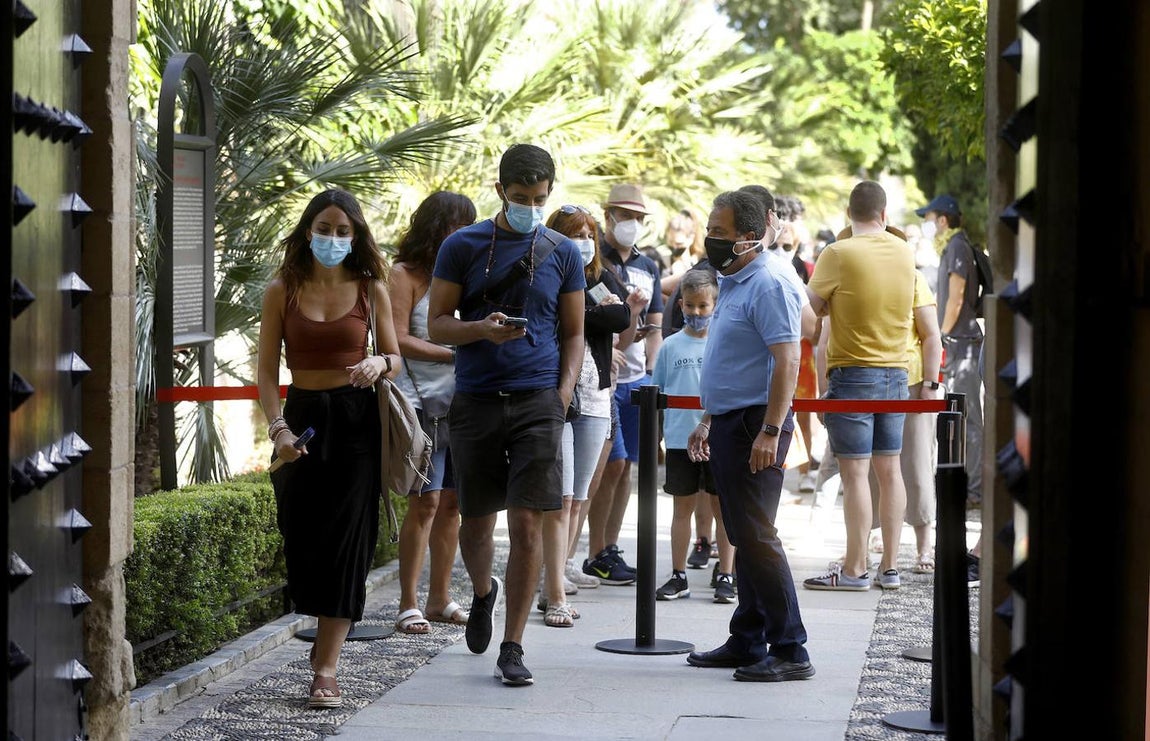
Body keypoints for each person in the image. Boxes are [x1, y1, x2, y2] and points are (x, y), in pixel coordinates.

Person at [427, 143, 585, 686]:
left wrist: (562, 393)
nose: (531, 208)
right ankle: (482, 592)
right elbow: (437, 323)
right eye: (521, 198)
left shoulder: (562, 251)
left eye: (540, 199)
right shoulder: (462, 245)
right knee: (475, 523)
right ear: (500, 191)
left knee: (527, 522)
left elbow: (574, 332)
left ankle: (513, 646)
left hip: (539, 400)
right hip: (476, 398)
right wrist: (480, 330)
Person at [256, 188, 402, 708]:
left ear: (356, 236)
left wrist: (379, 363)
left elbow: (395, 357)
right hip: (301, 419)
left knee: (348, 541)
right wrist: (279, 429)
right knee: (303, 535)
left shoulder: (371, 288)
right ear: (308, 231)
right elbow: (265, 373)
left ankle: (326, 669)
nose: (333, 239)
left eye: (344, 231)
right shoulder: (282, 289)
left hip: (357, 420)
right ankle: (321, 642)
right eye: (325, 229)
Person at [685, 188, 814, 682]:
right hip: (731, 421)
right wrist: (708, 418)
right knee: (743, 533)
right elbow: (733, 359)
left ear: (750, 236)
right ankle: (748, 637)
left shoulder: (769, 283)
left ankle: (791, 648)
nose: (710, 239)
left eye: (720, 232)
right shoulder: (734, 278)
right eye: (710, 230)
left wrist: (770, 430)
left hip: (755, 423)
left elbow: (788, 359)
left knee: (757, 535)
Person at [802, 181, 923, 592]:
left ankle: (855, 568)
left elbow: (807, 317)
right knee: (890, 471)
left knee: (854, 475)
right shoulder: (905, 253)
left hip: (853, 374)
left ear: (848, 214)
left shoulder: (838, 253)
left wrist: (824, 308)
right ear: (884, 214)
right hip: (897, 374)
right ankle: (890, 567)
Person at [533, 203, 632, 627]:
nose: (585, 242)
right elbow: (555, 319)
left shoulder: (598, 275)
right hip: (558, 395)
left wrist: (589, 312)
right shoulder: (544, 275)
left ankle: (557, 572)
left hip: (596, 396)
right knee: (559, 498)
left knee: (578, 496)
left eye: (590, 235)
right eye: (576, 234)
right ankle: (551, 588)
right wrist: (595, 312)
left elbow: (621, 315)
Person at [388, 191, 477, 635]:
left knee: (454, 504)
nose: (464, 235)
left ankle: (440, 598)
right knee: (425, 503)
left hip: (463, 402)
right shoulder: (403, 274)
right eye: (457, 226)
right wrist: (454, 352)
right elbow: (395, 339)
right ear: (436, 227)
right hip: (420, 403)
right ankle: (408, 602)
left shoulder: (468, 275)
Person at [582, 183, 664, 585]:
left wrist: (653, 371)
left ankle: (609, 548)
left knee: (626, 467)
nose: (631, 223)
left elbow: (656, 324)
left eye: (638, 217)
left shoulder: (649, 266)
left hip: (637, 380)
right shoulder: (595, 262)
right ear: (609, 215)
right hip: (602, 378)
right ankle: (592, 549)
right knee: (608, 466)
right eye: (625, 215)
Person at [651, 269, 734, 602]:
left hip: (719, 439)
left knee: (722, 508)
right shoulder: (670, 346)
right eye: (690, 306)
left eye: (703, 306)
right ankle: (678, 574)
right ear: (680, 304)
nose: (696, 312)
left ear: (715, 305)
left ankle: (726, 572)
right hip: (678, 439)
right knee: (681, 508)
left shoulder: (723, 343)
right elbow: (656, 393)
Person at [916, 194, 983, 508]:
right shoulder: (954, 246)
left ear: (942, 220)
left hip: (961, 342)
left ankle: (975, 490)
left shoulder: (957, 247)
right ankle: (966, 486)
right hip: (958, 342)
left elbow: (956, 298)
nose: (926, 225)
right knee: (960, 418)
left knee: (969, 419)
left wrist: (940, 335)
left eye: (928, 219)